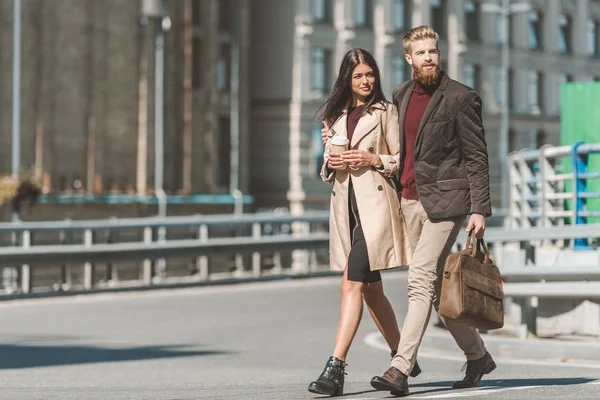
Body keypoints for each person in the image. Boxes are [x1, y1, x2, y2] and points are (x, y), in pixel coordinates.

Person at [368, 26, 496, 397]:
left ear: (439, 55)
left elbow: (476, 156)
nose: (429, 57)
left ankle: (400, 367)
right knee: (438, 293)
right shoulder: (401, 94)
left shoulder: (460, 97)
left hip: (448, 206)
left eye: (433, 52)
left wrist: (479, 209)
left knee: (419, 280)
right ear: (408, 58)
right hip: (409, 200)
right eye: (421, 52)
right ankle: (477, 357)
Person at [308, 48, 416, 397]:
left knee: (351, 283)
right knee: (371, 289)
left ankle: (335, 367)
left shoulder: (387, 112)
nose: (366, 81)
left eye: (370, 74)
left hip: (377, 211)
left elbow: (400, 160)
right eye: (358, 76)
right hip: (347, 212)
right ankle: (405, 357)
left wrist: (373, 158)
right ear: (347, 79)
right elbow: (326, 172)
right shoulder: (336, 117)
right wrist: (330, 157)